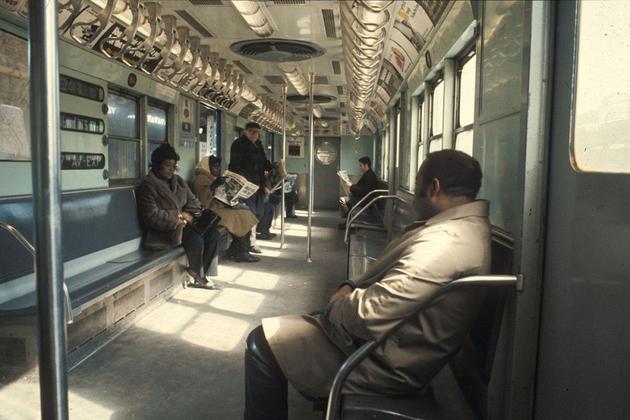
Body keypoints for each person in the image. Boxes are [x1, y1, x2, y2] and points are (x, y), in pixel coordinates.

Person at [243, 150, 490, 420]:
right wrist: (352, 285)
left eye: (417, 181)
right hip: (395, 344)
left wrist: (334, 308)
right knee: (289, 330)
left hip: (385, 362)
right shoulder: (465, 229)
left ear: (434, 187)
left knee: (261, 342)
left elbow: (369, 313)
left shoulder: (445, 243)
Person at [137, 143, 221, 290]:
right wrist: (180, 217)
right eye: (168, 165)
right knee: (196, 240)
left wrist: (194, 213)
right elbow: (151, 216)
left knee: (214, 234)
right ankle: (199, 276)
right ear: (157, 165)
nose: (172, 169)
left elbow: (193, 201)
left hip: (186, 225)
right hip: (164, 232)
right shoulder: (148, 185)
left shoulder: (179, 182)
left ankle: (199, 271)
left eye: (174, 166)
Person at [192, 155, 260, 263]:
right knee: (239, 216)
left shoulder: (212, 177)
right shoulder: (200, 178)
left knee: (245, 212)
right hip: (209, 211)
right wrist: (213, 186)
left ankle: (238, 249)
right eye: (215, 167)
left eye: (219, 167)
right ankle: (240, 251)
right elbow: (203, 201)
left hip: (219, 207)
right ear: (207, 167)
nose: (218, 169)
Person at [229, 122, 272, 254]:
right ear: (245, 131)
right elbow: (235, 166)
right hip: (245, 186)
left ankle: (251, 243)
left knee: (257, 213)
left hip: (258, 184)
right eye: (252, 131)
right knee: (248, 215)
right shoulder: (238, 145)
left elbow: (264, 163)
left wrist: (271, 168)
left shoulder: (258, 145)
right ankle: (245, 246)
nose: (254, 135)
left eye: (257, 132)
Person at [338, 156, 378, 229]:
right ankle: (349, 219)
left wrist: (352, 186)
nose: (359, 167)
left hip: (364, 199)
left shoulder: (369, 176)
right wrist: (352, 185)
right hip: (363, 197)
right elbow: (362, 187)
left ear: (365, 165)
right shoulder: (369, 174)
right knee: (346, 201)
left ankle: (349, 218)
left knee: (342, 200)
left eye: (360, 165)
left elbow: (363, 191)